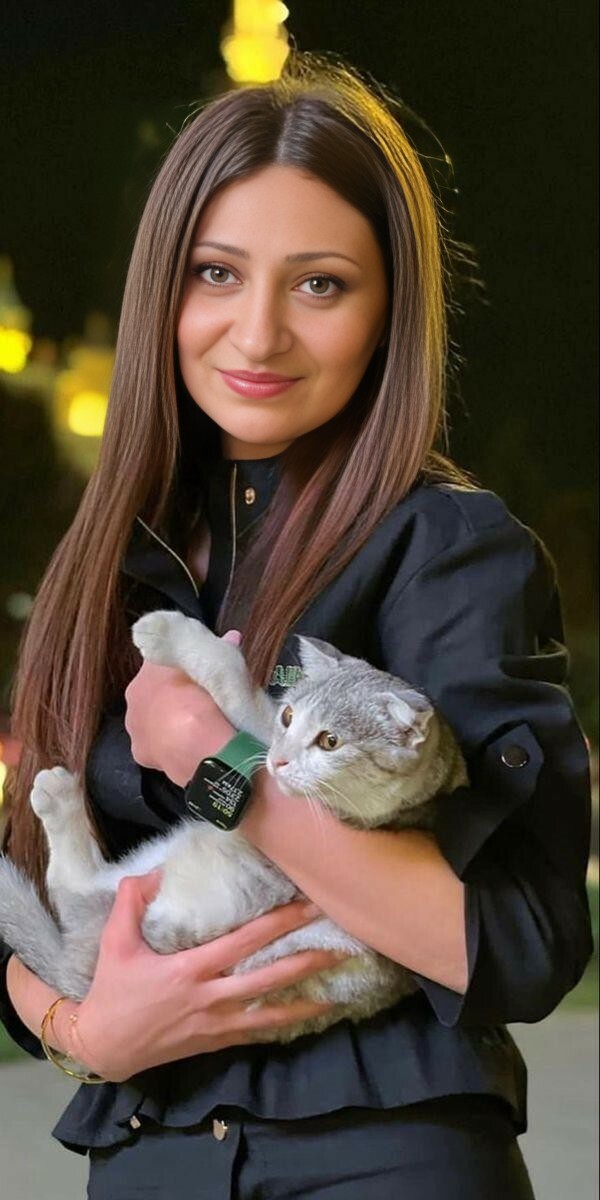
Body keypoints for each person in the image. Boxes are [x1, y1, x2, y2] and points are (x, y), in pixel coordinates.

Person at [0, 51, 593, 1200]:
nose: (258, 333)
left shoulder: (452, 550)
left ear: (390, 310)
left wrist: (222, 765)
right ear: (161, 290)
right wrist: (85, 1030)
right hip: (147, 1161)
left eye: (320, 284)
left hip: (383, 1155)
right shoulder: (107, 561)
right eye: (217, 273)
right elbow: (17, 887)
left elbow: (518, 948)